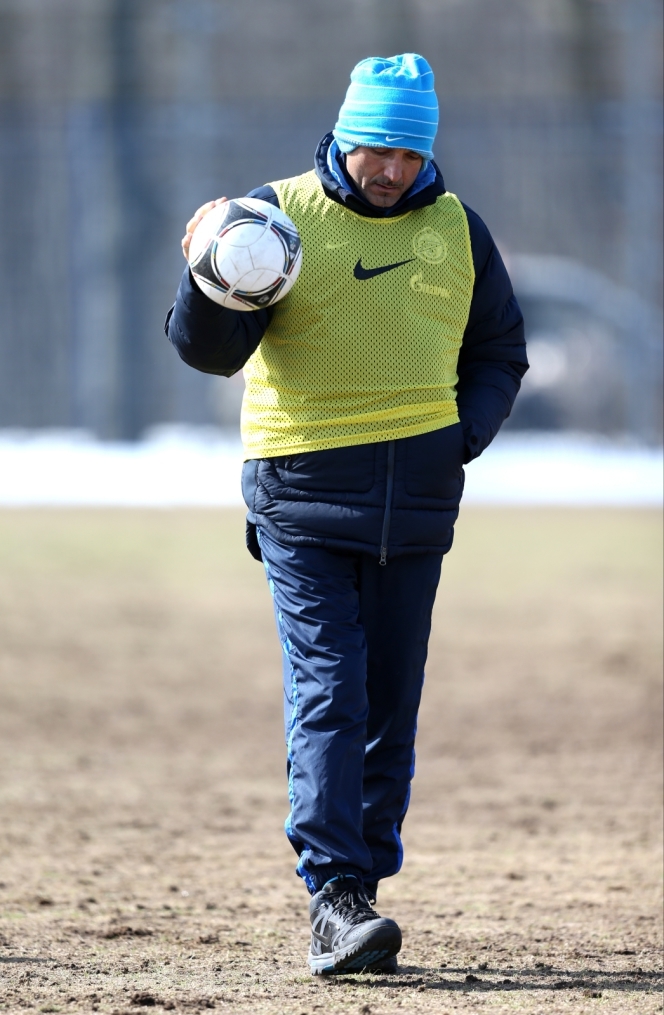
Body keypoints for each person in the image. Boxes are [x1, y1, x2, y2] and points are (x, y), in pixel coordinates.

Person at [165, 53, 527, 975]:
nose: (391, 169)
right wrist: (208, 278)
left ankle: (362, 887)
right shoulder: (273, 218)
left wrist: (460, 438)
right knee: (332, 689)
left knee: (390, 706)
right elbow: (207, 354)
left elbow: (498, 351)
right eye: (376, 148)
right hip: (303, 497)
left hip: (416, 506)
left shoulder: (459, 230)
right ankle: (333, 894)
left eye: (409, 153)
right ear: (343, 133)